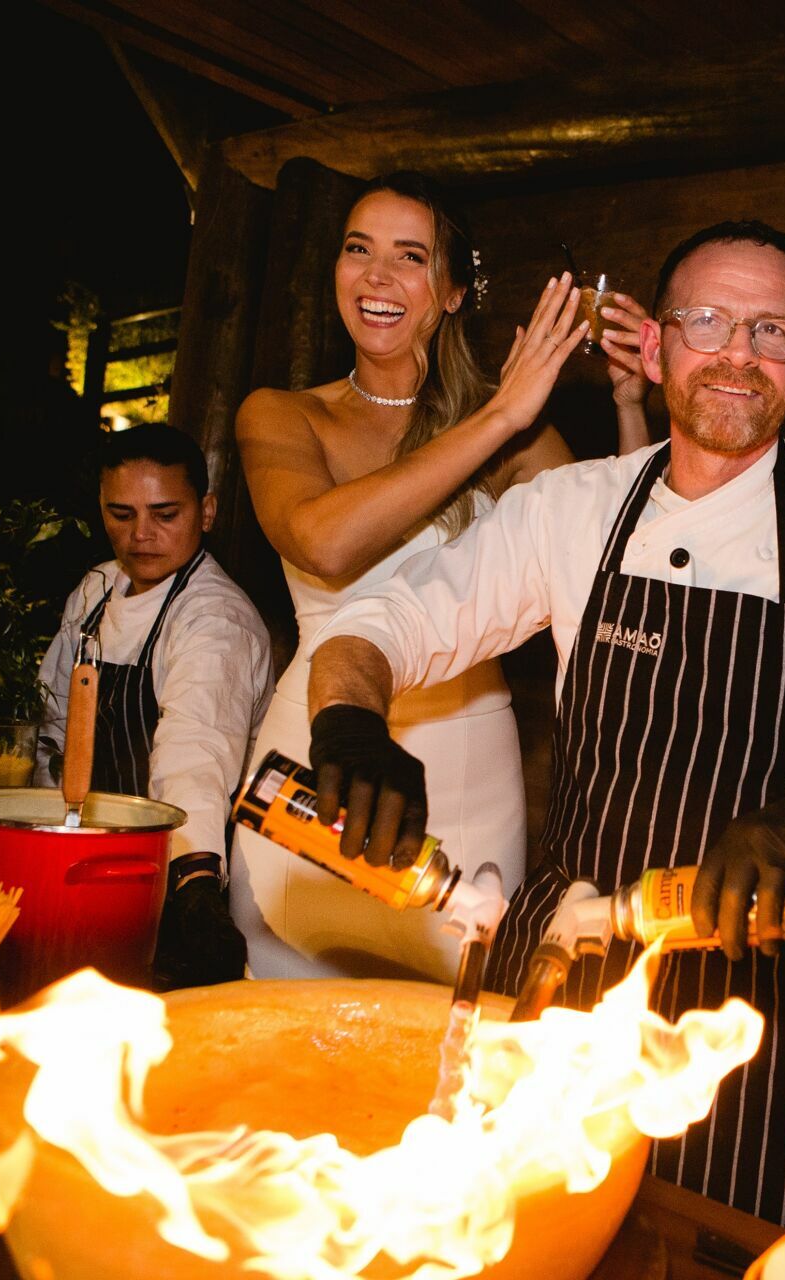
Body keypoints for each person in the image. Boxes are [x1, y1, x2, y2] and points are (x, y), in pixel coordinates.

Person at [300, 219, 785, 1227]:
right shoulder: (572, 505)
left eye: (772, 331)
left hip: (753, 1012)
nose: (739, 352)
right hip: (557, 976)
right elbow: (375, 624)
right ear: (654, 348)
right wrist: (348, 721)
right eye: (708, 321)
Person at [229, 171, 653, 983]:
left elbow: (617, 563)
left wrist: (630, 405)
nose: (377, 277)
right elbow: (325, 544)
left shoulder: (514, 428)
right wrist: (495, 418)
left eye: (410, 257)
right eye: (359, 249)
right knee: (284, 1002)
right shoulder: (282, 414)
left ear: (454, 291)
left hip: (470, 760)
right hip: (327, 739)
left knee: (445, 1021)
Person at [38, 423, 275, 982]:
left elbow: (195, 750)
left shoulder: (214, 620)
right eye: (121, 514)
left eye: (165, 514)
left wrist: (193, 881)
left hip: (185, 866)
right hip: (93, 858)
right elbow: (53, 720)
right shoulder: (96, 589)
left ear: (207, 511)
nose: (140, 535)